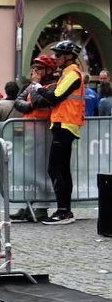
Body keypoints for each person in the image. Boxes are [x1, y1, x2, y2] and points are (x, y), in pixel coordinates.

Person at [34, 40, 86, 225]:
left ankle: (62, 211)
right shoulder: (66, 74)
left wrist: (38, 88)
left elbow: (55, 97)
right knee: (63, 169)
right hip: (63, 124)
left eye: (58, 55)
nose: (55, 58)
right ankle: (66, 211)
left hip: (66, 124)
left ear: (69, 56)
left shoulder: (72, 73)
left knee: (54, 168)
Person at [9, 55, 58, 223]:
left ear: (49, 71)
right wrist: (30, 103)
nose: (35, 71)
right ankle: (27, 205)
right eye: (34, 68)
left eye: (40, 68)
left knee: (42, 172)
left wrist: (35, 89)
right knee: (27, 171)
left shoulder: (52, 86)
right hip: (30, 133)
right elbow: (18, 102)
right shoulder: (33, 86)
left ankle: (41, 207)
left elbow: (39, 101)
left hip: (45, 133)